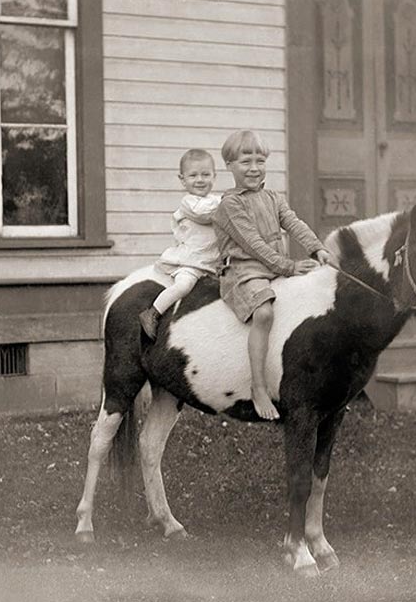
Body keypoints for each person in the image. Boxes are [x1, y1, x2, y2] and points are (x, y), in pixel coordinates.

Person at [213, 130, 332, 420]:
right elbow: (252, 243)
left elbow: (293, 223)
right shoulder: (231, 204)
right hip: (243, 270)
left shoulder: (272, 197)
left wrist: (317, 249)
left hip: (272, 266)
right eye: (245, 162)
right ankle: (258, 386)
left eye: (260, 161)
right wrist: (289, 267)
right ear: (229, 165)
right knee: (264, 313)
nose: (254, 168)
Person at [139, 149, 222, 341]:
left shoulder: (217, 200)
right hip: (191, 263)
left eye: (206, 174)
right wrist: (228, 202)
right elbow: (203, 214)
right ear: (182, 179)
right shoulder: (190, 203)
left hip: (212, 264)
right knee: (184, 286)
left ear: (214, 176)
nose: (200, 180)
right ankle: (153, 312)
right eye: (193, 175)